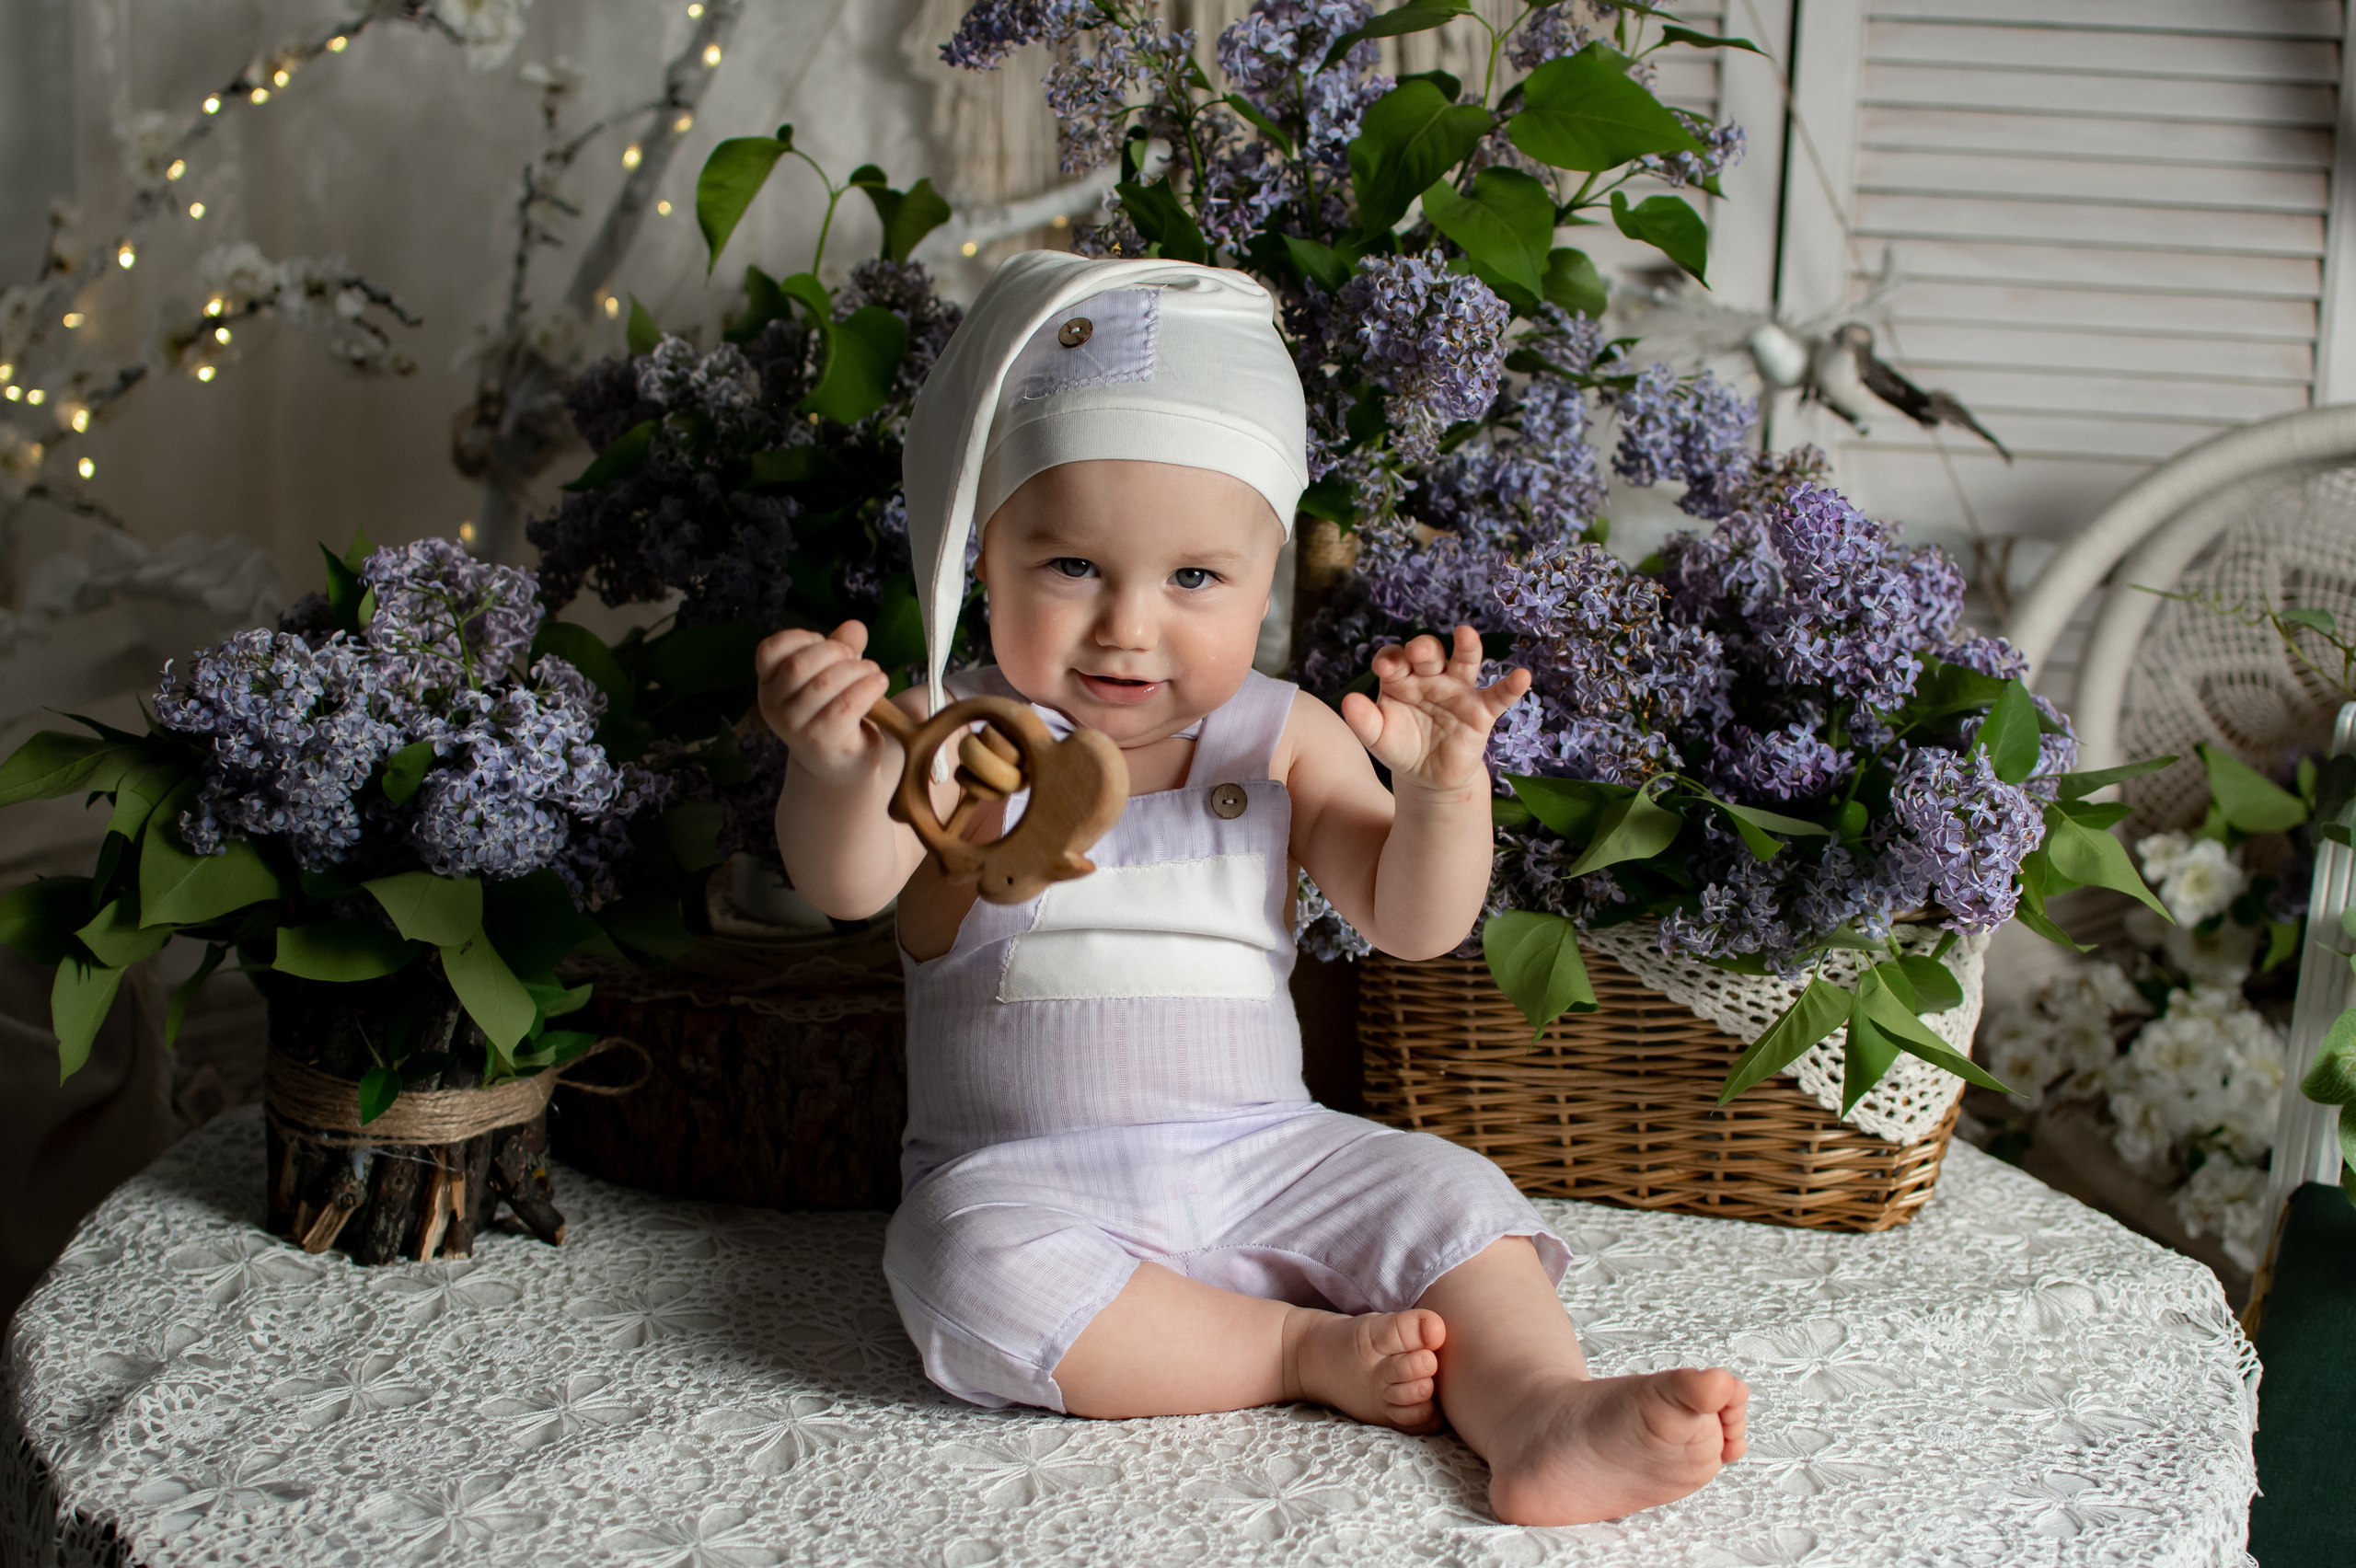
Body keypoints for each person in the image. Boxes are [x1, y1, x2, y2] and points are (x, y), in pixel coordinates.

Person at [755, 251, 1747, 1526]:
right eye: (1069, 569)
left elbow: (1414, 919)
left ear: (1265, 583)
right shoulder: (966, 744)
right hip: (1032, 1178)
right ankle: (1291, 1350)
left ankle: (1544, 1409)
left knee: (1450, 1200)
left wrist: (1446, 787)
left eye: (1194, 580)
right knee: (961, 1270)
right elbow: (846, 885)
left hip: (1265, 1153)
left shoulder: (1279, 738)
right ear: (982, 561)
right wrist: (836, 766)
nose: (1128, 626)